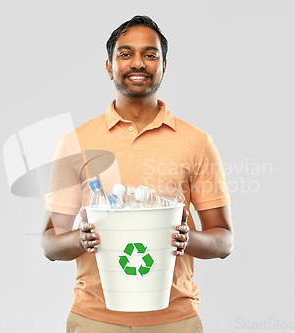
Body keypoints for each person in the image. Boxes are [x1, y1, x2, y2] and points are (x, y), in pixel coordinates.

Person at [41, 15, 233, 332]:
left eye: (150, 54)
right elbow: (50, 243)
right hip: (95, 319)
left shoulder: (196, 143)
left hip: (174, 320)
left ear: (164, 65)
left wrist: (189, 239)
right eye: (126, 54)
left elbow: (224, 240)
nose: (138, 63)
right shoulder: (75, 142)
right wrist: (81, 238)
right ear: (109, 66)